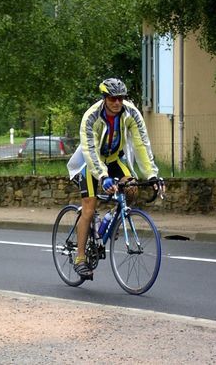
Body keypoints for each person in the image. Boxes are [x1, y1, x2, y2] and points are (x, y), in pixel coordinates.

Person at [67, 77, 164, 279]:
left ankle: (112, 218)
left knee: (131, 188)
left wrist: (152, 175)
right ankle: (80, 258)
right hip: (89, 163)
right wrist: (103, 177)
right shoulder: (91, 117)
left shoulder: (131, 113)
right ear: (104, 98)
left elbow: (141, 145)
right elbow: (90, 151)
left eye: (120, 98)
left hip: (113, 159)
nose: (117, 102)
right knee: (89, 206)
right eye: (112, 98)